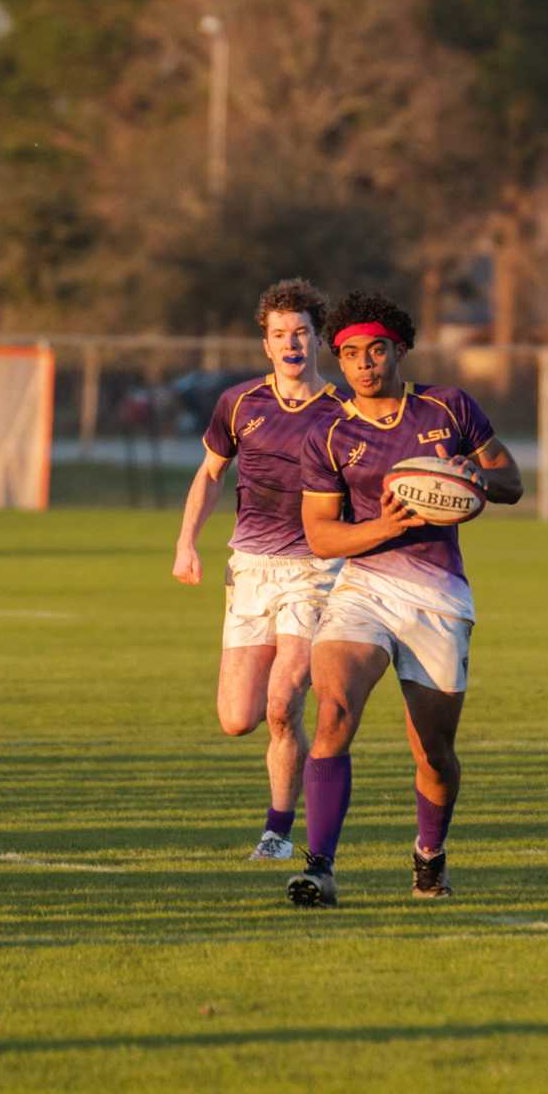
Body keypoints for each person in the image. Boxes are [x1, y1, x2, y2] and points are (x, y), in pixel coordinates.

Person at [287, 289, 524, 907]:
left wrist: (480, 478)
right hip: (363, 587)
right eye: (351, 354)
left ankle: (429, 854)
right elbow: (320, 534)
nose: (365, 363)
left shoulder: (450, 407)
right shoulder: (329, 434)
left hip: (438, 596)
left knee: (435, 754)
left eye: (376, 350)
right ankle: (320, 868)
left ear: (399, 350)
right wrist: (383, 529)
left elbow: (512, 481)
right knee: (333, 710)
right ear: (338, 361)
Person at [171, 279, 343, 860]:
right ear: (265, 344)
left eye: (300, 333)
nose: (291, 344)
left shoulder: (345, 411)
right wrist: (186, 544)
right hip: (248, 569)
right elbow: (210, 473)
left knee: (283, 699)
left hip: (313, 571)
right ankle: (288, 801)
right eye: (279, 335)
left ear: (318, 339)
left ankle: (278, 832)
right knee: (237, 718)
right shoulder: (239, 403)